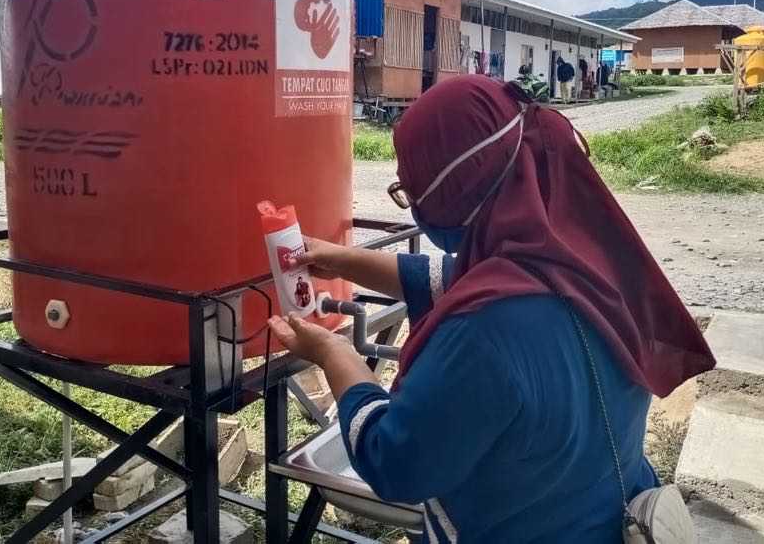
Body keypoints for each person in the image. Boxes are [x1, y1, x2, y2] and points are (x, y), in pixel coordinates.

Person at [269, 76, 714, 543]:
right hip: (604, 510)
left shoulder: (482, 333)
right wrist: (341, 258)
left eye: (410, 188)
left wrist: (335, 353)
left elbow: (396, 462)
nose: (413, 203)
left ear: (451, 192)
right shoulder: (592, 253)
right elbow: (453, 276)